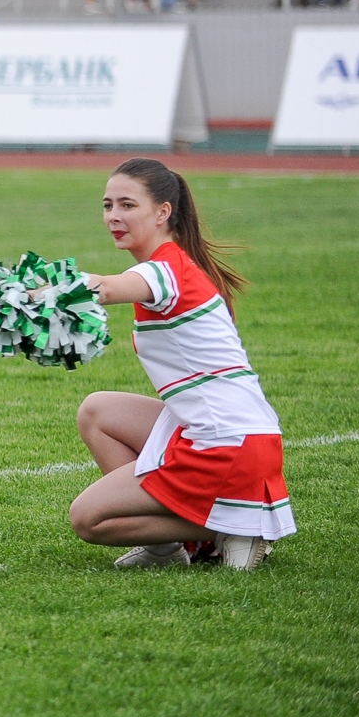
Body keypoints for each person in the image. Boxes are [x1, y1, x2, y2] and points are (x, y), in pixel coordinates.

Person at [69, 159, 294, 571]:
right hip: (236, 431)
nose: (114, 216)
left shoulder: (165, 270)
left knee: (88, 518)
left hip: (227, 443)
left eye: (127, 205)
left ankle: (234, 524)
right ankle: (164, 546)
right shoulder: (176, 265)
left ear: (162, 212)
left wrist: (46, 288)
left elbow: (106, 287)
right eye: (107, 205)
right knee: (97, 411)